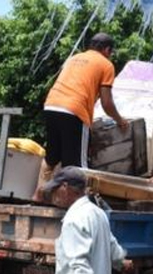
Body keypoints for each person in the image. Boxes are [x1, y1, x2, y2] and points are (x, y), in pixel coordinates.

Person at [35, 33, 128, 201]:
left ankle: (37, 197)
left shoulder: (74, 58)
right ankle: (74, 206)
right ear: (107, 50)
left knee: (51, 158)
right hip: (74, 110)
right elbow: (107, 103)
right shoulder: (106, 64)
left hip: (51, 104)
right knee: (78, 167)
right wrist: (120, 121)